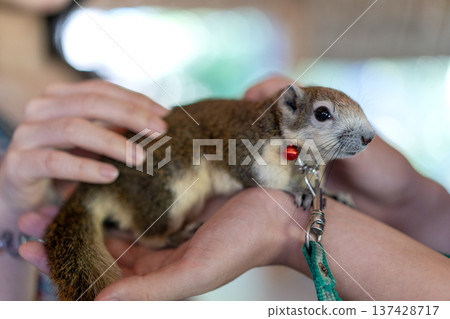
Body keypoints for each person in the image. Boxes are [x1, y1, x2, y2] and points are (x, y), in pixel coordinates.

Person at [13, 76, 450, 301]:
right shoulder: (258, 135)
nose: (362, 139)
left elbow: (289, 175)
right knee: (172, 177)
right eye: (323, 117)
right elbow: (256, 173)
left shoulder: (291, 146)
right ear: (290, 109)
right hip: (146, 172)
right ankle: (160, 232)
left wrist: (408, 195)